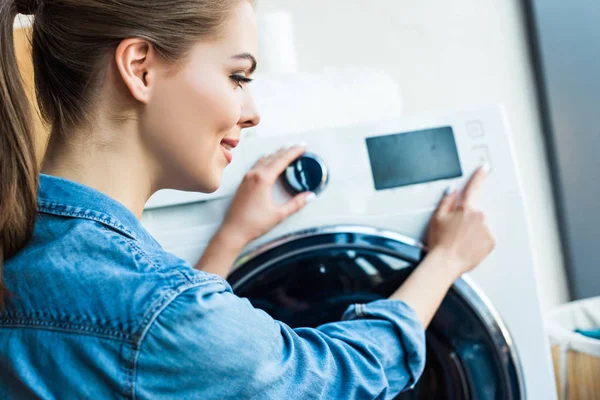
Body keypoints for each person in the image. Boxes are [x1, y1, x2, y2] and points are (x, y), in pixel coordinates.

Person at [0, 0, 495, 398]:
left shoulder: (25, 247)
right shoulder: (158, 308)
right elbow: (340, 378)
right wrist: (446, 261)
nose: (253, 112)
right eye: (237, 77)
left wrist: (232, 236)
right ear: (140, 68)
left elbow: (164, 361)